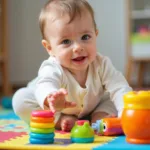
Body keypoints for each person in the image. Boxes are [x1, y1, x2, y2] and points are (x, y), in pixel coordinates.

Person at [12, 0, 132, 132]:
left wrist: (127, 113)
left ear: (95, 35)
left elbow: (119, 86)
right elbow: (45, 84)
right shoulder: (52, 67)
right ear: (49, 48)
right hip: (54, 107)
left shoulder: (101, 64)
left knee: (114, 97)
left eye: (85, 37)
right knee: (20, 100)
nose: (78, 47)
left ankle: (99, 115)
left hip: (93, 105)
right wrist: (51, 98)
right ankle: (60, 120)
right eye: (66, 41)